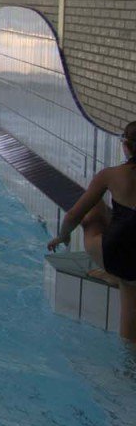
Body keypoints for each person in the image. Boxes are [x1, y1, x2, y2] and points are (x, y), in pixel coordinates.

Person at [50, 120, 136, 340]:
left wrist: (63, 236)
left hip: (116, 255)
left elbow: (72, 216)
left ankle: (118, 277)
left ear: (125, 145)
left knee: (94, 210)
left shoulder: (110, 175)